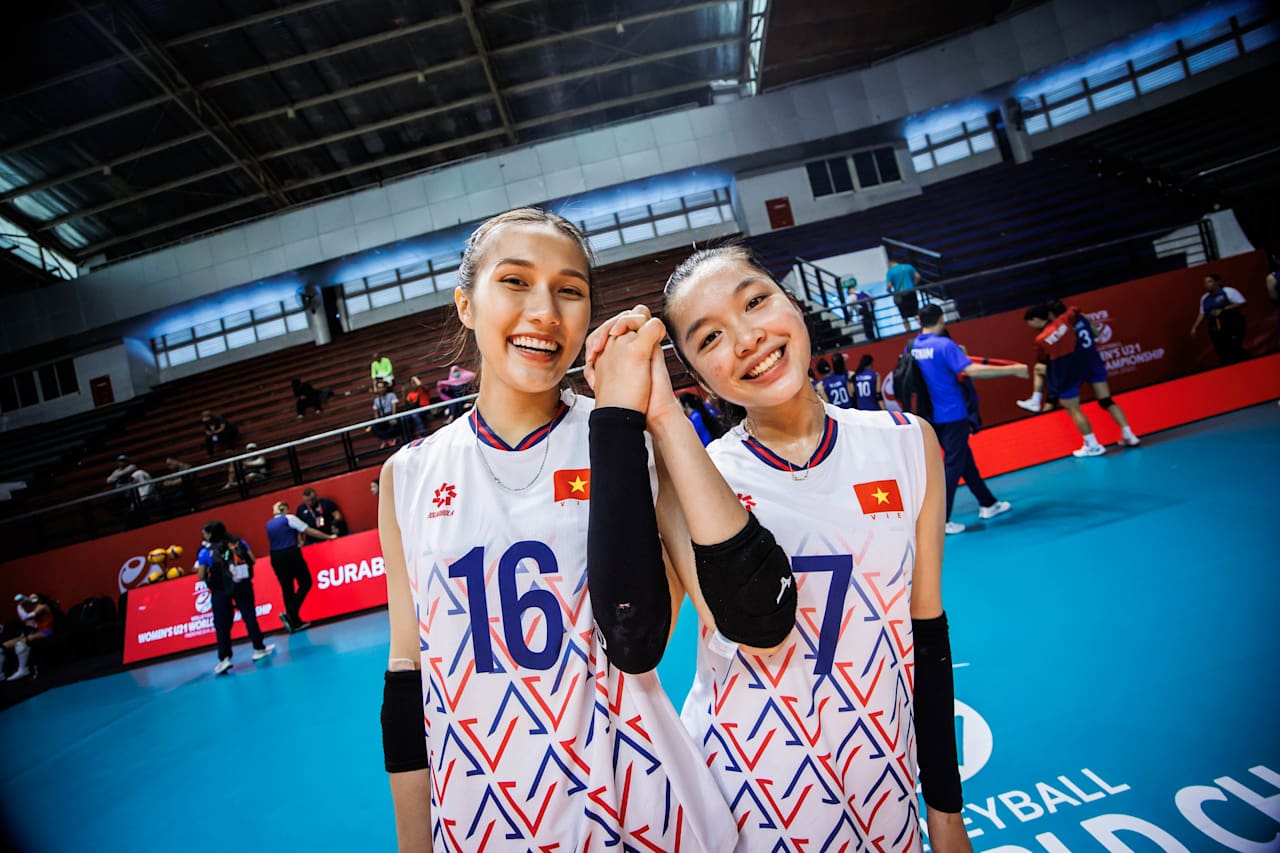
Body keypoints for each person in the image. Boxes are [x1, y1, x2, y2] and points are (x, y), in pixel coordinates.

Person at [586, 244, 970, 851]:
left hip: (885, 790)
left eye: (756, 302)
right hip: (749, 803)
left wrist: (945, 813)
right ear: (696, 375)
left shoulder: (905, 441)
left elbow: (926, 637)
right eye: (710, 338)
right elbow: (639, 642)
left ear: (792, 302)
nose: (747, 339)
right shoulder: (693, 480)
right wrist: (651, 418)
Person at [377, 208, 738, 852]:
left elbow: (713, 618)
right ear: (466, 304)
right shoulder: (408, 475)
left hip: (640, 803)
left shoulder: (629, 439)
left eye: (569, 290)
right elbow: (408, 675)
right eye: (515, 281)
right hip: (483, 815)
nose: (545, 311)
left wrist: (653, 419)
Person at [910, 303, 1028, 534]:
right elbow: (972, 370)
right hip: (953, 413)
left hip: (933, 415)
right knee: (953, 466)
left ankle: (988, 503)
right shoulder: (945, 345)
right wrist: (1013, 369)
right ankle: (940, 521)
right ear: (941, 319)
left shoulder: (915, 346)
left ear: (919, 321)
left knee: (964, 461)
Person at [1023, 303, 1140, 456]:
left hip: (1073, 367)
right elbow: (1095, 334)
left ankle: (1092, 445)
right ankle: (1129, 435)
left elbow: (1047, 356)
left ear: (1051, 315)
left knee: (1073, 408)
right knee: (1107, 401)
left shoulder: (1057, 328)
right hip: (1093, 363)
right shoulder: (1079, 319)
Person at [194, 521, 274, 675]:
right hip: (242, 585)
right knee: (249, 616)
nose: (203, 536)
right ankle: (258, 649)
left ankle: (224, 659)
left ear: (211, 534)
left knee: (222, 625)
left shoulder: (205, 552)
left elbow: (201, 576)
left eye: (205, 533)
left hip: (220, 590)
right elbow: (252, 560)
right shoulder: (239, 542)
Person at [265, 501, 333, 632]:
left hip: (275, 556)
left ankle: (294, 622)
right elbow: (308, 530)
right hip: (290, 553)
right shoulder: (289, 518)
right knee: (306, 582)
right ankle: (290, 613)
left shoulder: (269, 524)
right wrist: (328, 536)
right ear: (284, 509)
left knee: (287, 588)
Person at [1190, 273, 1248, 364]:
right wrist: (1195, 327)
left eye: (1210, 281)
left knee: (1233, 347)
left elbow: (1242, 302)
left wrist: (1224, 309)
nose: (1207, 284)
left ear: (1217, 282)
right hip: (1215, 328)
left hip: (1232, 324)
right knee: (1221, 350)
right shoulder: (1204, 298)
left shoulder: (1228, 291)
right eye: (1205, 283)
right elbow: (1202, 313)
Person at [3, 593, 55, 680]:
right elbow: (26, 620)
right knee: (4, 646)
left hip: (47, 632)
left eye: (34, 597)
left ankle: (23, 669)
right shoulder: (33, 609)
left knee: (20, 643)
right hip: (37, 632)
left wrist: (19, 606)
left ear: (39, 599)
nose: (31, 599)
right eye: (30, 597)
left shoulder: (42, 606)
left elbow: (25, 617)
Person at [887, 258, 922, 331]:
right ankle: (923, 328)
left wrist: (890, 292)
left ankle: (909, 332)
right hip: (911, 292)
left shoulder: (890, 271)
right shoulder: (908, 266)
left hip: (900, 295)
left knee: (904, 317)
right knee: (916, 313)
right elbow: (918, 276)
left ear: (890, 264)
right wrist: (914, 284)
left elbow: (889, 285)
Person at [369, 380, 400, 449]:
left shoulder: (391, 395)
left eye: (382, 387)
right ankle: (386, 439)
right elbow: (376, 413)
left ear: (385, 388)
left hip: (390, 414)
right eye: (379, 388)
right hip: (383, 417)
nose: (381, 389)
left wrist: (393, 417)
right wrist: (377, 420)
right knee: (373, 427)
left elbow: (394, 407)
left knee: (393, 423)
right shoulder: (376, 400)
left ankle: (390, 439)